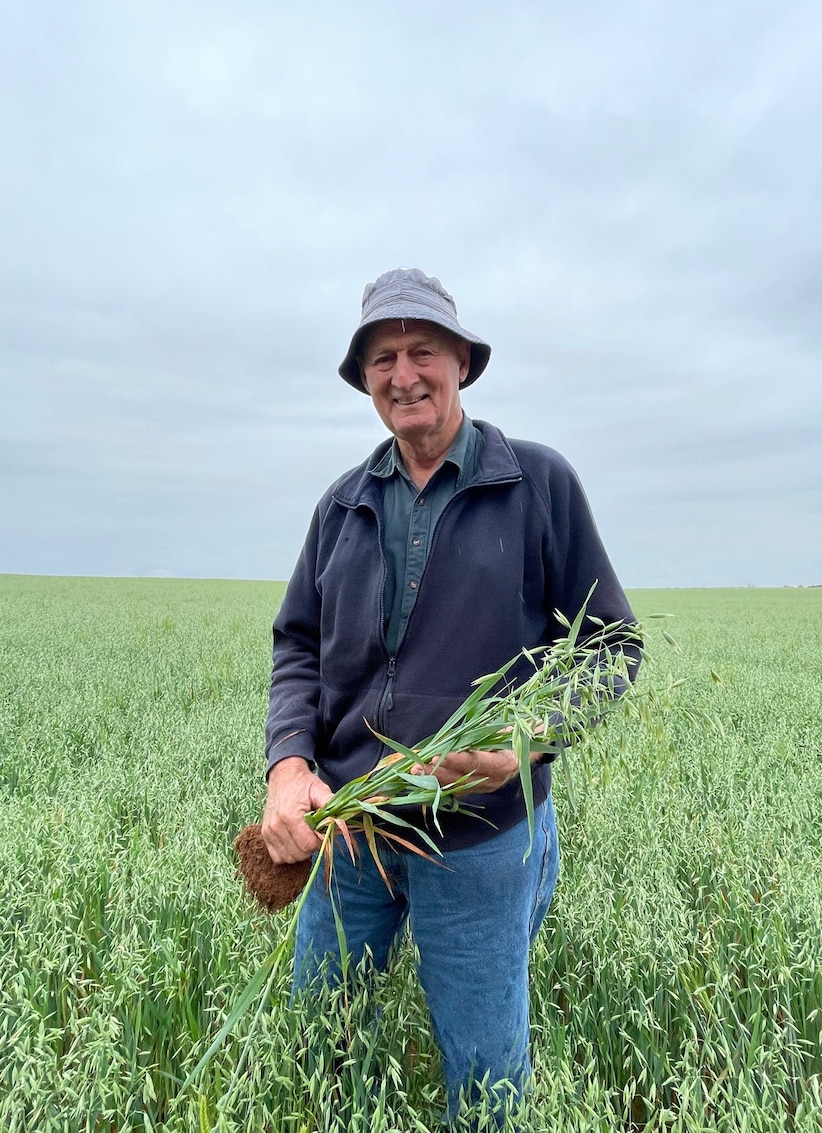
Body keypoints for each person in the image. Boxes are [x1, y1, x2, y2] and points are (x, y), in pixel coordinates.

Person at [261, 267, 641, 1125]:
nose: (403, 375)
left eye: (421, 351)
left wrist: (521, 742)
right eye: (382, 358)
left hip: (479, 841)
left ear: (462, 362)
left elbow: (612, 646)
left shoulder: (536, 484)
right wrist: (289, 765)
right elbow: (297, 647)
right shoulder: (341, 505)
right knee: (320, 1041)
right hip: (352, 834)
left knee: (485, 1077)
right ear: (364, 380)